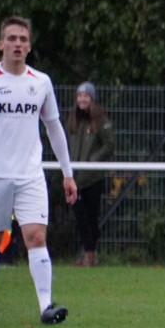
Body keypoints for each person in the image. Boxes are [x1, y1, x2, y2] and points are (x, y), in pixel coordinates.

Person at [0, 16, 78, 325]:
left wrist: (67, 173)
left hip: (30, 174)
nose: (17, 44)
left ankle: (45, 307)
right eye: (11, 38)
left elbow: (53, 127)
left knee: (36, 236)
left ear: (29, 46)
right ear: (1, 44)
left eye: (23, 39)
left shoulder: (40, 82)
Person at [65, 81, 114, 267]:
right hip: (74, 178)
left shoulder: (101, 121)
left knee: (91, 217)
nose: (82, 99)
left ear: (92, 99)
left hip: (93, 178)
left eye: (86, 96)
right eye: (79, 96)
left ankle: (90, 255)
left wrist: (93, 159)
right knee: (80, 217)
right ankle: (89, 253)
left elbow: (109, 145)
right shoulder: (73, 119)